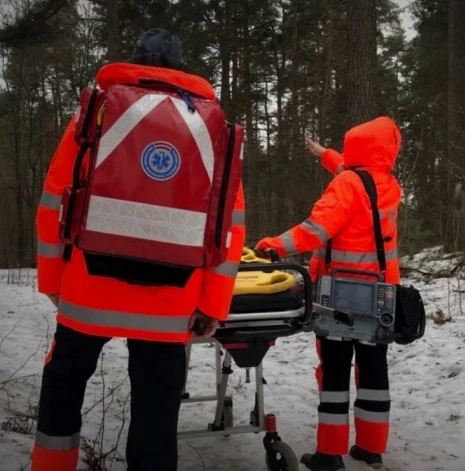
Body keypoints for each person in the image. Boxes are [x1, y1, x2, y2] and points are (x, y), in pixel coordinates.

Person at [32, 28, 245, 471]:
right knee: (157, 411)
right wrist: (212, 305)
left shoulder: (96, 113)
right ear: (181, 69)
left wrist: (55, 281)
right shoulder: (212, 126)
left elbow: (54, 199)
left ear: (136, 59)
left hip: (89, 290)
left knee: (63, 387)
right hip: (170, 302)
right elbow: (229, 227)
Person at [256, 116, 402, 471]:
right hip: (382, 295)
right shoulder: (387, 183)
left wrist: (273, 246)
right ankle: (371, 447)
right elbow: (352, 174)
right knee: (373, 372)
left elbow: (315, 230)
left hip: (341, 295)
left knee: (335, 371)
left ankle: (330, 454)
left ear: (357, 147)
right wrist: (327, 155)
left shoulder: (347, 185)